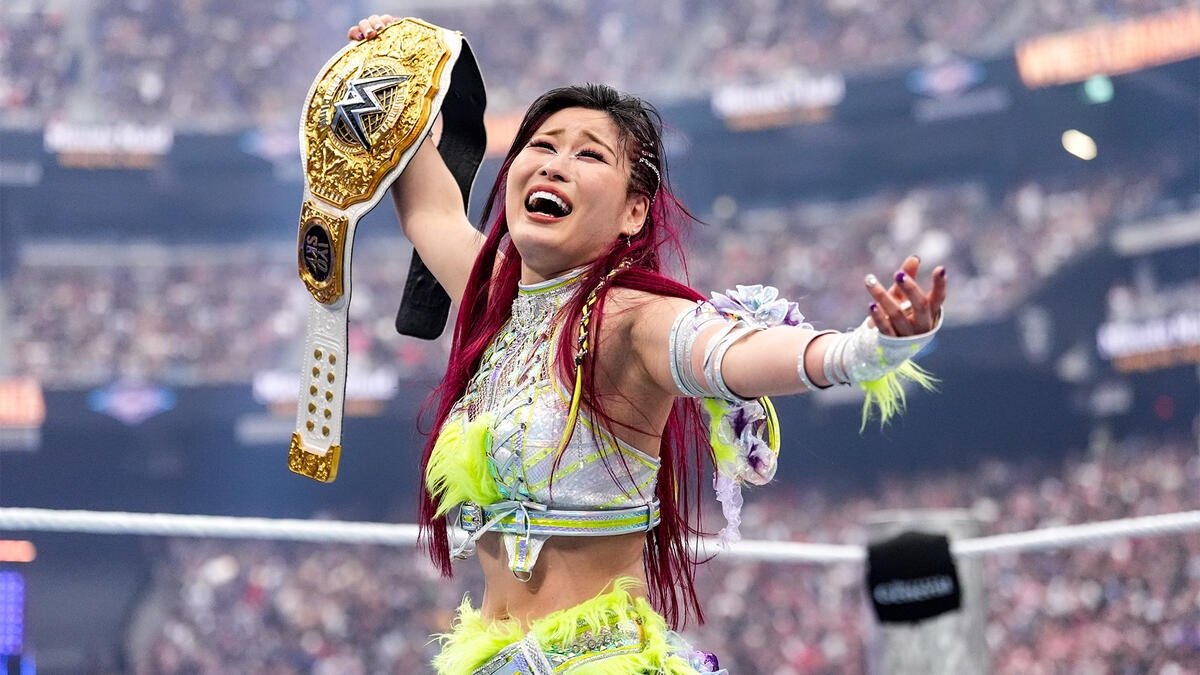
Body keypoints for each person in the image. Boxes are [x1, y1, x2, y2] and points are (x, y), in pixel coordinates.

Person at [351, 14, 947, 674]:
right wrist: (392, 68)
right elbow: (429, 210)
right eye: (542, 145)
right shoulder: (494, 296)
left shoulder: (630, 318)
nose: (555, 164)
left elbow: (732, 354)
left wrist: (863, 351)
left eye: (589, 155)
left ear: (634, 211)